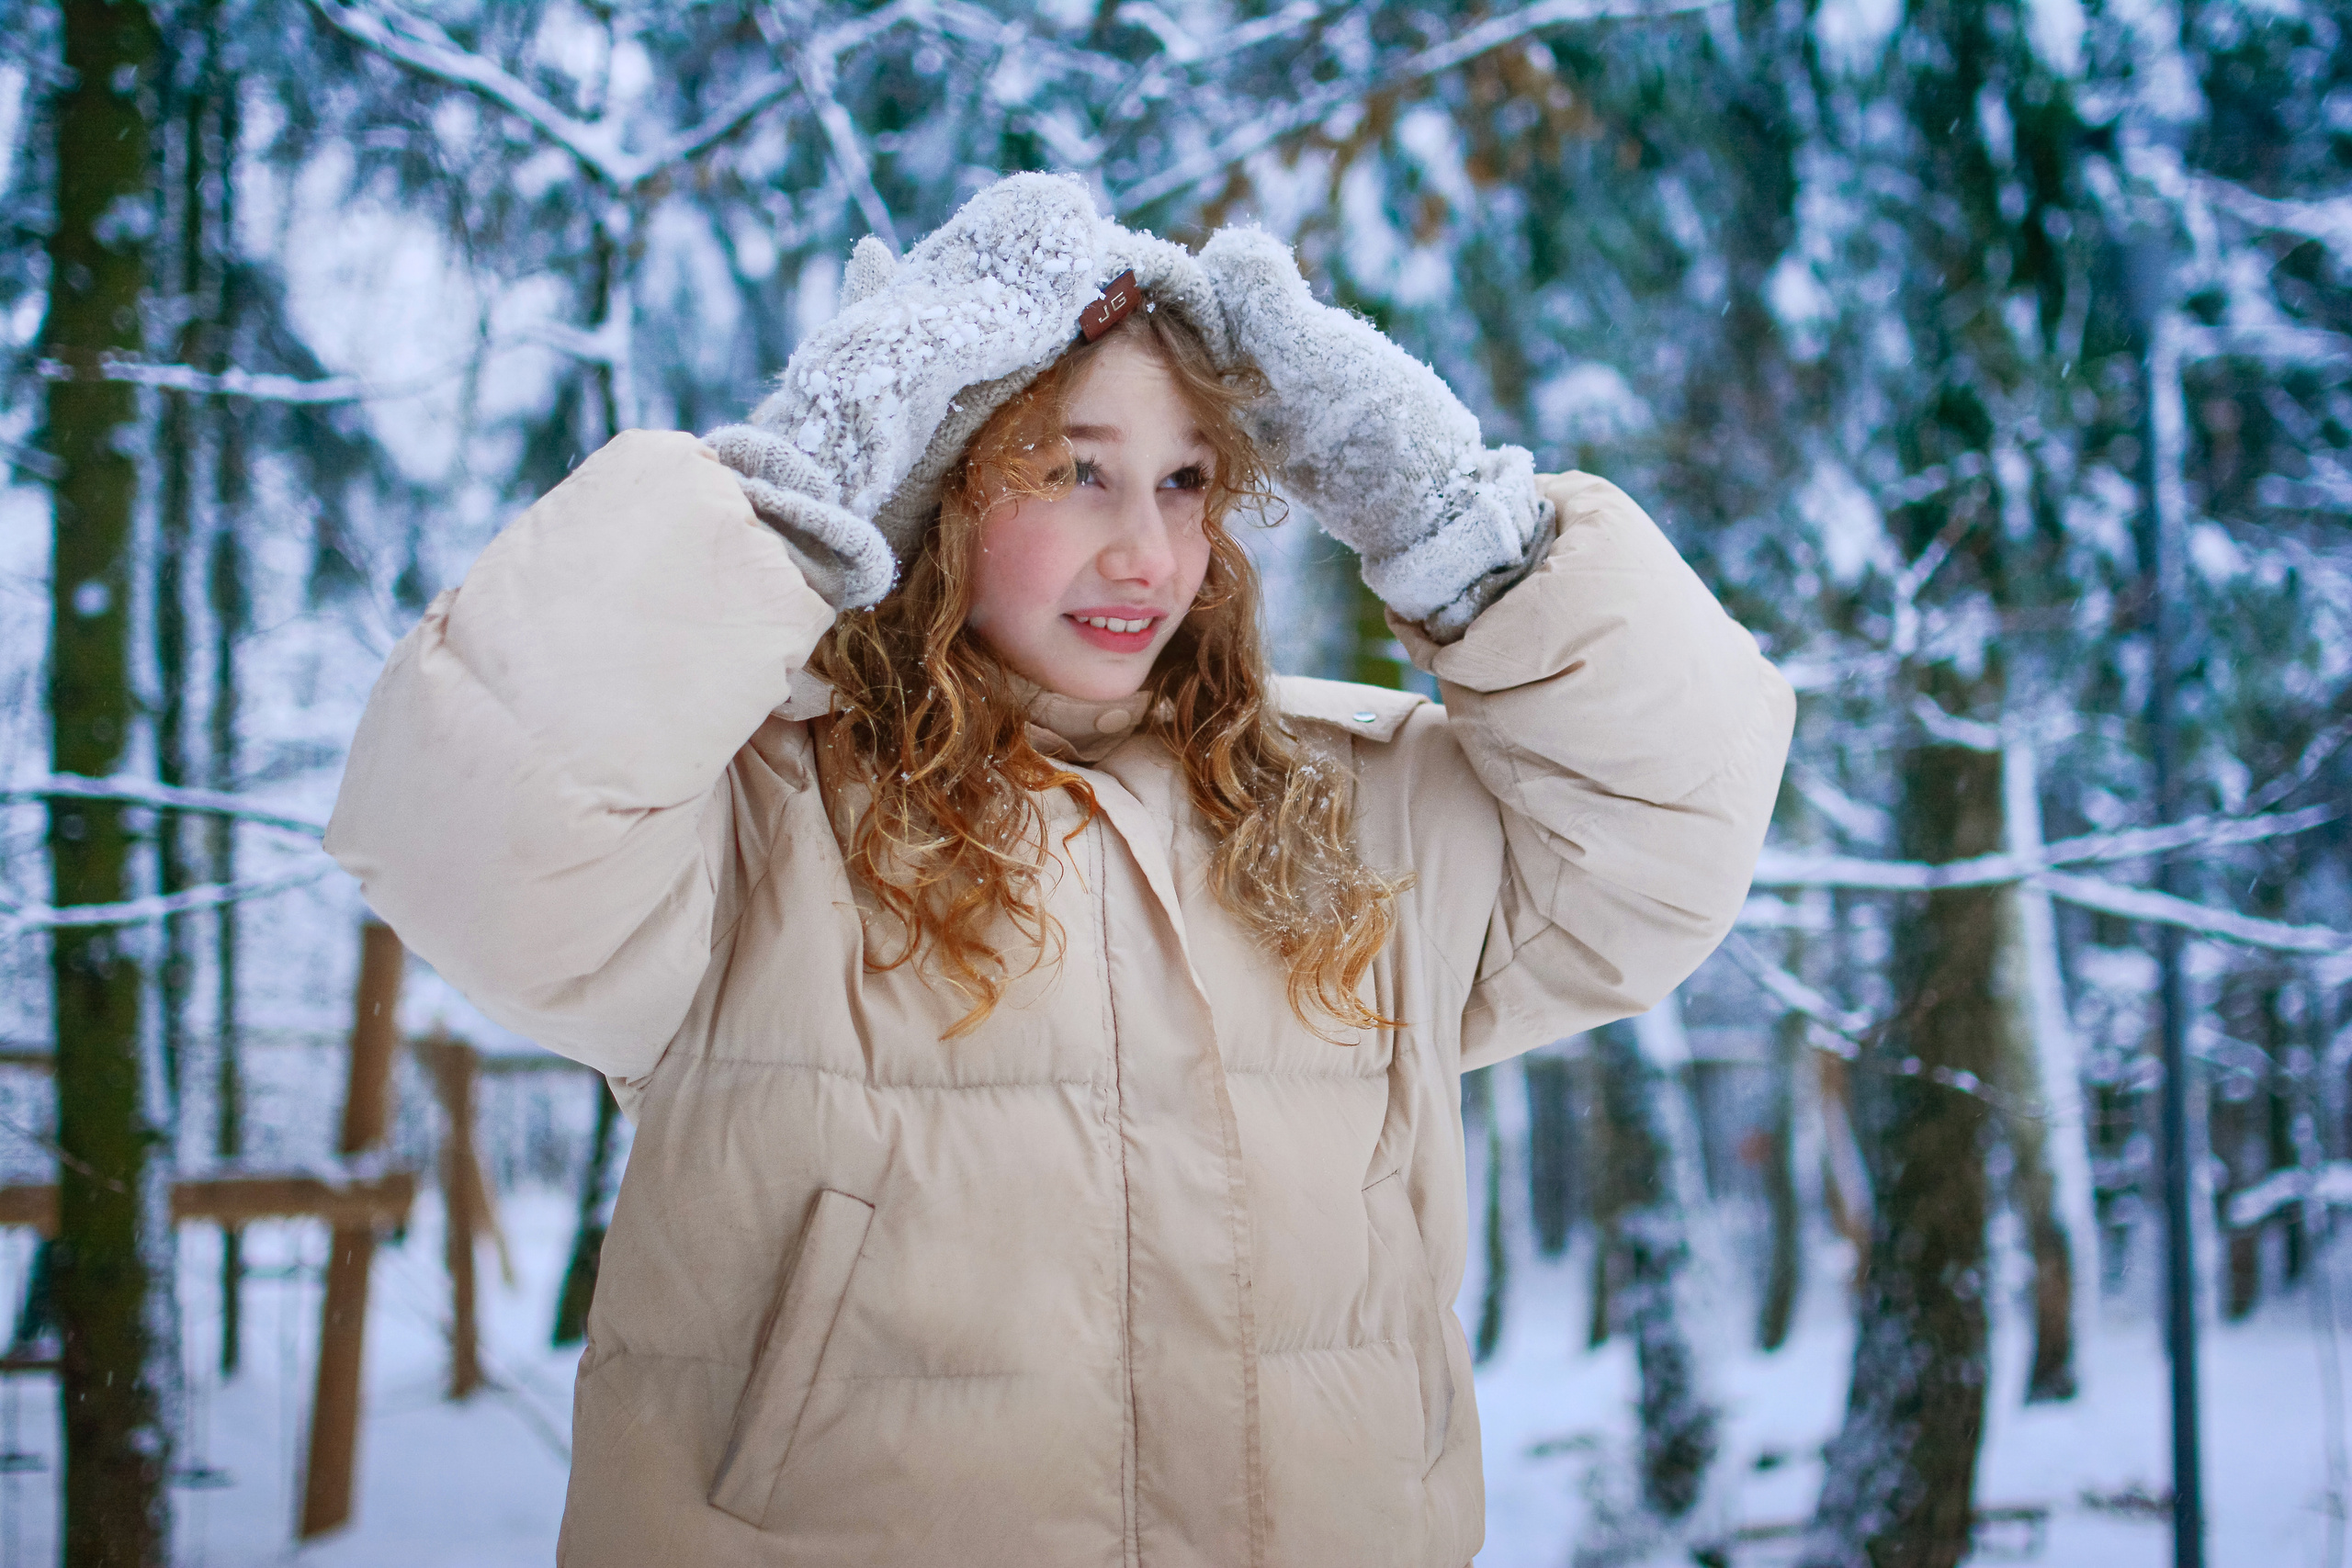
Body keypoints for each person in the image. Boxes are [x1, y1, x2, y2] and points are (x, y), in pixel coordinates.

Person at [325, 173, 1792, 1568]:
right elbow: (468, 827)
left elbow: (1672, 838)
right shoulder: (754, 804)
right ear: (946, 481)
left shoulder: (1350, 810)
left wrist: (1461, 529)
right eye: (1074, 472)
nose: (1149, 553)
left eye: (1187, 480)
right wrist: (815, 457)